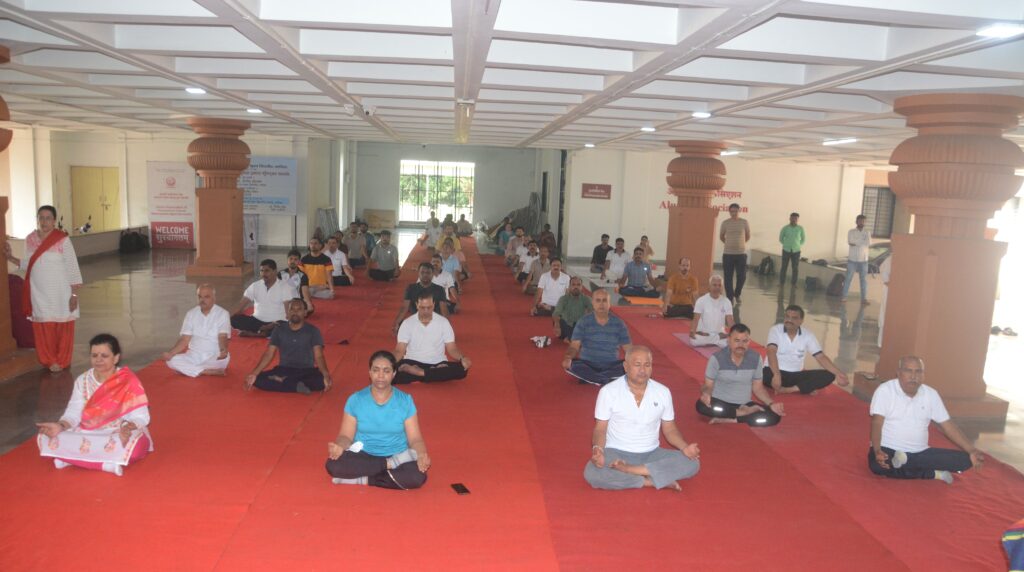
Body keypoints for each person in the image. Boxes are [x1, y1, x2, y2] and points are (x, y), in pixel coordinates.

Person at [584, 346, 700, 491]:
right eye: (637, 365)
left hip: (651, 453)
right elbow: (600, 429)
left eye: (647, 365)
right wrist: (598, 450)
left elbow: (669, 429)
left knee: (692, 463)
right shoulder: (608, 392)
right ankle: (649, 481)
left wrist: (685, 448)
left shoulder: (663, 392)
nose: (643, 370)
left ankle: (631, 471)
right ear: (626, 366)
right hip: (616, 453)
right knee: (592, 472)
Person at [36, 334, 153, 476]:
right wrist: (60, 426)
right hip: (88, 432)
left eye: (104, 355)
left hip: (117, 432)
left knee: (136, 448)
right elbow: (73, 412)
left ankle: (71, 458)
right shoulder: (83, 380)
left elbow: (142, 417)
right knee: (49, 437)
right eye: (94, 355)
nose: (98, 360)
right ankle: (105, 464)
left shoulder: (128, 381)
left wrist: (127, 428)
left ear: (116, 358)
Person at [868, 356, 983, 484]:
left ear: (923, 375)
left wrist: (971, 450)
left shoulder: (931, 394)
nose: (913, 376)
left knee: (966, 460)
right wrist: (877, 450)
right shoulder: (885, 390)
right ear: (898, 373)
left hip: (921, 452)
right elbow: (877, 423)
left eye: (918, 371)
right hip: (888, 449)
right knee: (877, 465)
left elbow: (948, 426)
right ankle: (932, 473)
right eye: (908, 371)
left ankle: (908, 460)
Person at [325, 350, 430, 489]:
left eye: (386, 371)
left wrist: (422, 454)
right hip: (365, 454)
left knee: (417, 477)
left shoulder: (405, 401)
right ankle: (389, 465)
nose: (380, 375)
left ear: (393, 374)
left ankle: (365, 479)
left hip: (397, 453)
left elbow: (415, 439)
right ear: (369, 372)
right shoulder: (355, 399)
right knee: (333, 466)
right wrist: (339, 446)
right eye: (376, 370)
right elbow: (345, 436)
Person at [5, 205, 83, 371]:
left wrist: (74, 295)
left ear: (54, 221)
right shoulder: (30, 239)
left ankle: (62, 360)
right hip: (39, 292)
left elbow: (72, 267)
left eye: (48, 218)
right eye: (41, 218)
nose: (44, 221)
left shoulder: (62, 239)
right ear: (37, 220)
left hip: (61, 292)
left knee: (63, 326)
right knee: (43, 326)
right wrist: (10, 257)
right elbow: (28, 263)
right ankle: (49, 360)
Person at [697, 324, 784, 426]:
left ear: (749, 341)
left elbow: (758, 388)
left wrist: (771, 404)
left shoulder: (756, 358)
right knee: (702, 406)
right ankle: (741, 415)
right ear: (729, 340)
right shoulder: (716, 358)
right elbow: (708, 385)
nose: (741, 345)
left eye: (745, 341)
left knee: (774, 416)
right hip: (720, 403)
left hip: (745, 405)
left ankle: (732, 419)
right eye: (737, 340)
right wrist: (706, 394)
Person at [245, 299, 333, 394]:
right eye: (292, 309)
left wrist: (326, 374)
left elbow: (319, 356)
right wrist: (254, 373)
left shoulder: (313, 331)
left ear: (305, 313)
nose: (295, 312)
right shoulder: (279, 329)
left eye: (299, 309)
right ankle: (295, 385)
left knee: (321, 382)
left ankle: (285, 382)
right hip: (284, 370)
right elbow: (269, 354)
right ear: (288, 312)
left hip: (306, 371)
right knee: (258, 379)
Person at [763, 305, 849, 395]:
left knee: (829, 375)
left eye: (794, 318)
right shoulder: (775, 330)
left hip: (795, 375)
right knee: (764, 376)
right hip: (773, 372)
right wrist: (777, 375)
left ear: (801, 321)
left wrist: (839, 373)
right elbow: (771, 351)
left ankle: (789, 389)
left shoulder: (808, 335)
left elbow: (820, 356)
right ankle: (802, 387)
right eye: (787, 317)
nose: (789, 320)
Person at [393, 290, 471, 384]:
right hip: (412, 361)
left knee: (462, 370)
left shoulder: (443, 322)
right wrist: (388, 363)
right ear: (417, 305)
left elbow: (452, 349)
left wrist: (463, 358)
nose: (426, 311)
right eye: (422, 307)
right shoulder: (407, 323)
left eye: (429, 307)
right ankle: (431, 374)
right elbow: (399, 350)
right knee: (391, 375)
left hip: (437, 363)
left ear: (434, 305)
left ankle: (419, 373)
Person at [562, 289, 631, 386]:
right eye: (598, 300)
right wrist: (568, 357)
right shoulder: (583, 321)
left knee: (629, 366)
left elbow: (628, 349)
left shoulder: (619, 323)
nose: (601, 304)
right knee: (570, 364)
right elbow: (574, 346)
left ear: (609, 303)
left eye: (604, 300)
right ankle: (605, 379)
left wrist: (637, 363)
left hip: (611, 365)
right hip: (588, 364)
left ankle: (593, 378)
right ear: (593, 303)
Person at [163, 284, 231, 377]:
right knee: (171, 361)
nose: (202, 300)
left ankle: (192, 370)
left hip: (214, 356)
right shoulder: (191, 314)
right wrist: (171, 353)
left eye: (206, 297)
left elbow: (222, 336)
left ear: (214, 298)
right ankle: (206, 371)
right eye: (200, 297)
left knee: (223, 359)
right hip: (194, 356)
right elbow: (185, 339)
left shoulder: (223, 314)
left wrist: (223, 350)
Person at [231, 259, 295, 337]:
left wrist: (289, 322)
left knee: (284, 326)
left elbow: (288, 311)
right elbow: (241, 306)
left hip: (276, 322)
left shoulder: (285, 287)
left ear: (275, 271)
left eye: (267, 271)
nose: (263, 274)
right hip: (257, 321)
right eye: (261, 271)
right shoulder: (255, 286)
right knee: (234, 319)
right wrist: (229, 318)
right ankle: (262, 331)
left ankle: (257, 333)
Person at [393, 262, 449, 334]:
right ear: (418, 273)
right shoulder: (411, 288)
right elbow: (404, 308)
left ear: (432, 275)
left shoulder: (439, 289)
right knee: (402, 327)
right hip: (416, 320)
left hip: (433, 320)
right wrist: (396, 323)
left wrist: (447, 326)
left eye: (428, 273)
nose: (425, 275)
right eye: (422, 272)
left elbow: (444, 310)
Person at [689, 275, 734, 348]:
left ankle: (713, 339)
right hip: (704, 333)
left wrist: (734, 335)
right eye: (714, 285)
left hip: (720, 332)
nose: (717, 287)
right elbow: (695, 319)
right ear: (709, 287)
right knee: (694, 340)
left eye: (719, 285)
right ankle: (716, 339)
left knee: (731, 342)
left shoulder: (726, 301)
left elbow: (730, 321)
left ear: (722, 287)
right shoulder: (701, 300)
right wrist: (692, 331)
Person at [720, 203, 751, 304]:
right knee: (728, 277)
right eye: (731, 211)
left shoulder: (744, 222)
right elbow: (721, 236)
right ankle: (730, 298)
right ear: (729, 212)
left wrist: (739, 245)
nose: (733, 213)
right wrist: (729, 244)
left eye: (735, 211)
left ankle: (737, 294)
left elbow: (747, 236)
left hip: (741, 254)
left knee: (742, 276)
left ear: (739, 211)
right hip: (728, 254)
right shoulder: (725, 223)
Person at [552, 276, 592, 342]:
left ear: (582, 287)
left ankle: (571, 338)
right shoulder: (563, 299)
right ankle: (572, 338)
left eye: (578, 285)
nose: (576, 287)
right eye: (573, 284)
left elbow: (592, 311)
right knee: (561, 321)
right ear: (570, 286)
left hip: (579, 325)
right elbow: (556, 313)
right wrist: (557, 325)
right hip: (566, 324)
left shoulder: (586, 299)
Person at [843, 214, 871, 303]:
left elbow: (868, 243)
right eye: (859, 221)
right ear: (856, 221)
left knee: (863, 280)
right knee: (848, 278)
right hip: (852, 260)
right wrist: (862, 241)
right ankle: (844, 297)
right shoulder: (851, 231)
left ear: (865, 223)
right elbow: (850, 242)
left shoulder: (867, 232)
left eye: (863, 221)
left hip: (864, 260)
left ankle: (864, 299)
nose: (861, 222)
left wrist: (857, 242)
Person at [280, 249, 315, 315]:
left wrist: (308, 303)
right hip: (282, 301)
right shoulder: (280, 274)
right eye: (291, 259)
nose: (293, 261)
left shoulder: (303, 275)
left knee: (309, 308)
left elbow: (305, 293)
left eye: (295, 259)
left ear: (299, 261)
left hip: (295, 302)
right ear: (287, 260)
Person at [778, 212, 805, 286]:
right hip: (786, 250)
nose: (794, 220)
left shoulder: (800, 228)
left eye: (796, 218)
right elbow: (780, 238)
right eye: (792, 218)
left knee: (795, 268)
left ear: (798, 219)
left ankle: (794, 284)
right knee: (784, 267)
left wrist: (798, 245)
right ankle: (781, 282)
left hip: (796, 251)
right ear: (790, 218)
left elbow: (803, 239)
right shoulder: (785, 228)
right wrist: (786, 244)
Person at [878, 253, 892, 346]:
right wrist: (887, 281)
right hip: (889, 291)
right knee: (886, 318)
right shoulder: (892, 257)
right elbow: (883, 269)